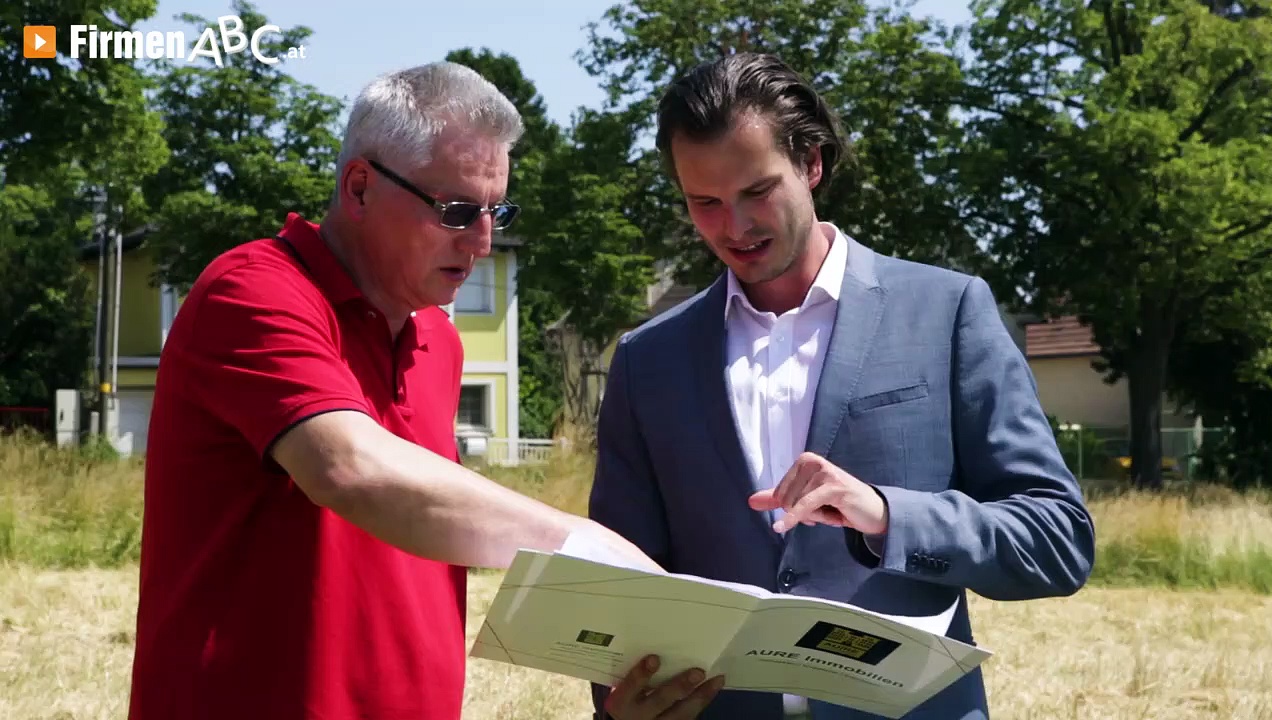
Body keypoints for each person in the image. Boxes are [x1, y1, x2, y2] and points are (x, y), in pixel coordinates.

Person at [126, 61, 661, 720]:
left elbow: (428, 521)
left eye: (495, 211)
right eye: (457, 211)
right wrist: (579, 544)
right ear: (359, 187)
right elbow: (347, 468)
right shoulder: (253, 292)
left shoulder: (439, 339)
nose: (483, 242)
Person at [588, 52, 1096, 720]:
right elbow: (619, 580)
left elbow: (1057, 540)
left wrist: (887, 516)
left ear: (812, 163)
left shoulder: (948, 313)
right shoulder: (646, 360)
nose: (734, 226)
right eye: (704, 203)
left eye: (757, 191)